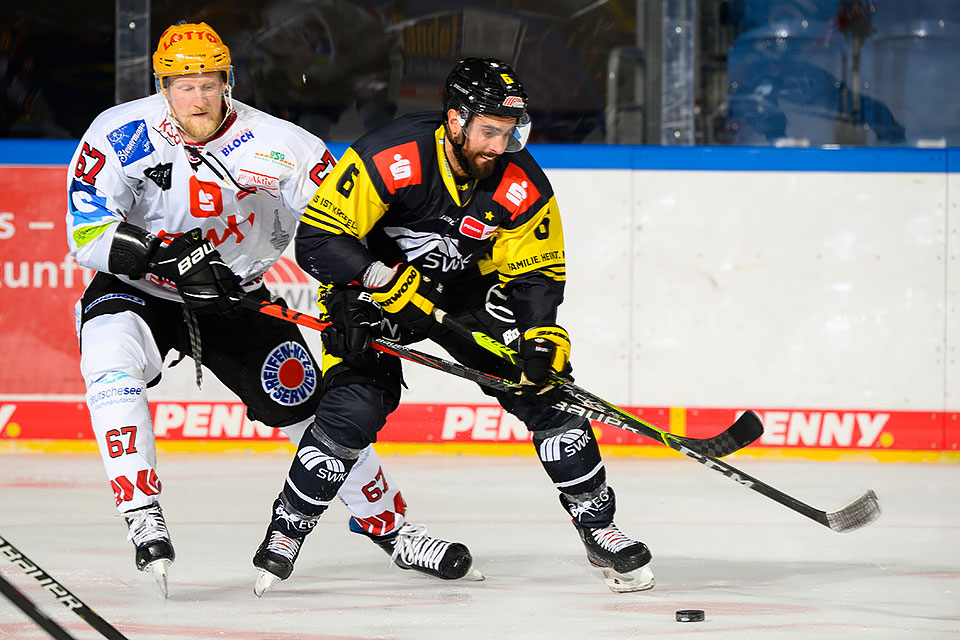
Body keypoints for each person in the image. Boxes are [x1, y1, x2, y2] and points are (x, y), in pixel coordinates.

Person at [66, 21, 480, 599]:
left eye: (209, 81)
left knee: (308, 408)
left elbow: (342, 223)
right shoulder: (117, 134)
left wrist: (360, 296)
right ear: (162, 85)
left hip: (236, 296)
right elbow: (86, 232)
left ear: (227, 80)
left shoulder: (282, 145)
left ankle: (394, 529)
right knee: (109, 365)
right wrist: (163, 253)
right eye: (183, 83)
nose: (198, 95)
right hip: (140, 290)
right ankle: (142, 512)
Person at [252, 57, 654, 595]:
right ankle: (286, 530)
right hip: (373, 288)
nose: (499, 145)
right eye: (489, 130)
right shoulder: (389, 156)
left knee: (547, 392)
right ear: (456, 119)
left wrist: (541, 335)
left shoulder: (521, 182)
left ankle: (598, 529)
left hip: (465, 291)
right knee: (354, 407)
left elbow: (535, 273)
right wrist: (379, 277)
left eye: (509, 133)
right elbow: (320, 240)